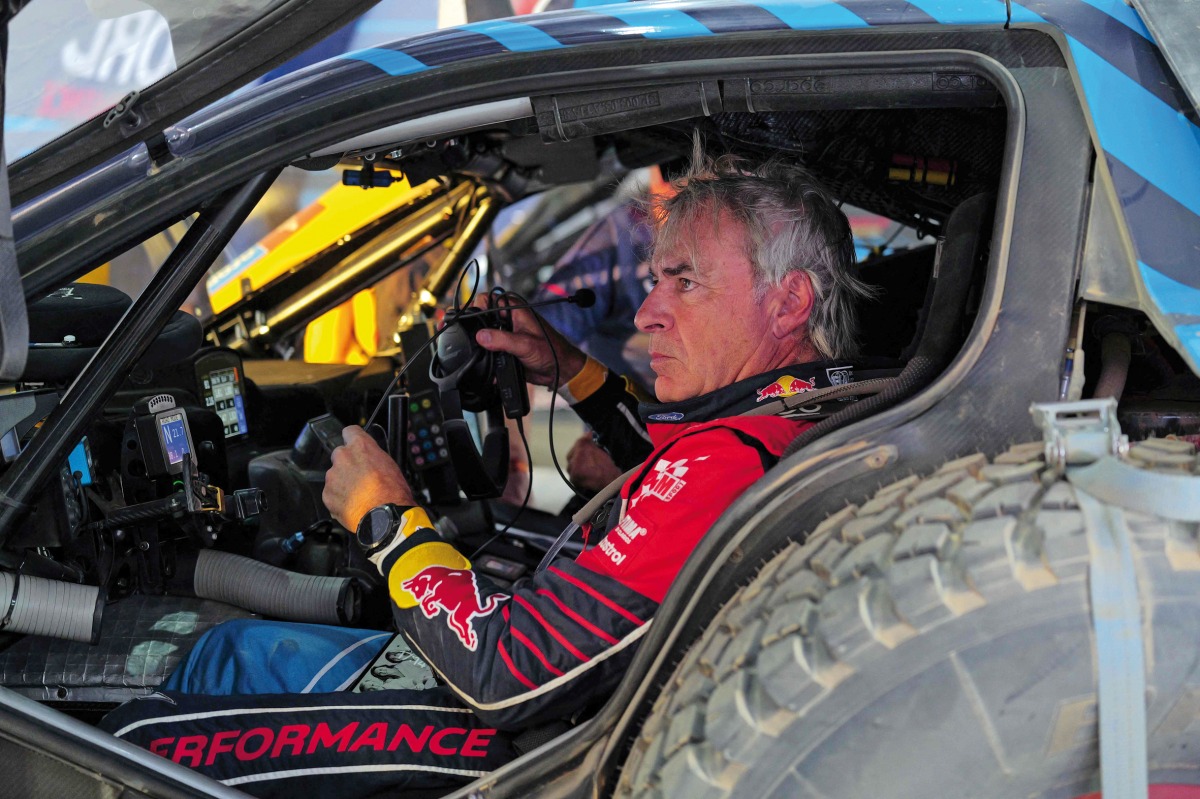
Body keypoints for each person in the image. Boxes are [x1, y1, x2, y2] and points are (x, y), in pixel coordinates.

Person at [99, 151, 882, 797]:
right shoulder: (795, 419)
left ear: (788, 303)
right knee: (225, 651)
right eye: (654, 281)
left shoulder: (726, 463)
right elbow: (663, 474)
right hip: (562, 707)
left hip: (521, 747)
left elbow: (504, 670)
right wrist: (568, 366)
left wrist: (388, 519)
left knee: (124, 747)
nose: (647, 312)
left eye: (683, 281)